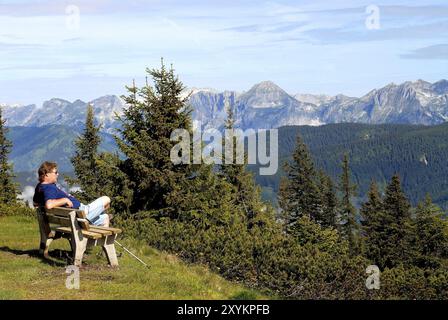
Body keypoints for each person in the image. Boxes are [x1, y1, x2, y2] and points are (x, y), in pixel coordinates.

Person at [33, 161, 111, 227]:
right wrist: (65, 199)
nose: (58, 174)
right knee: (106, 199)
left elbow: (35, 203)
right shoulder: (49, 188)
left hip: (71, 217)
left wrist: (66, 198)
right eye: (55, 172)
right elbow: (49, 205)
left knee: (105, 217)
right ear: (47, 174)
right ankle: (86, 220)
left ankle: (88, 221)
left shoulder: (40, 186)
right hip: (80, 213)